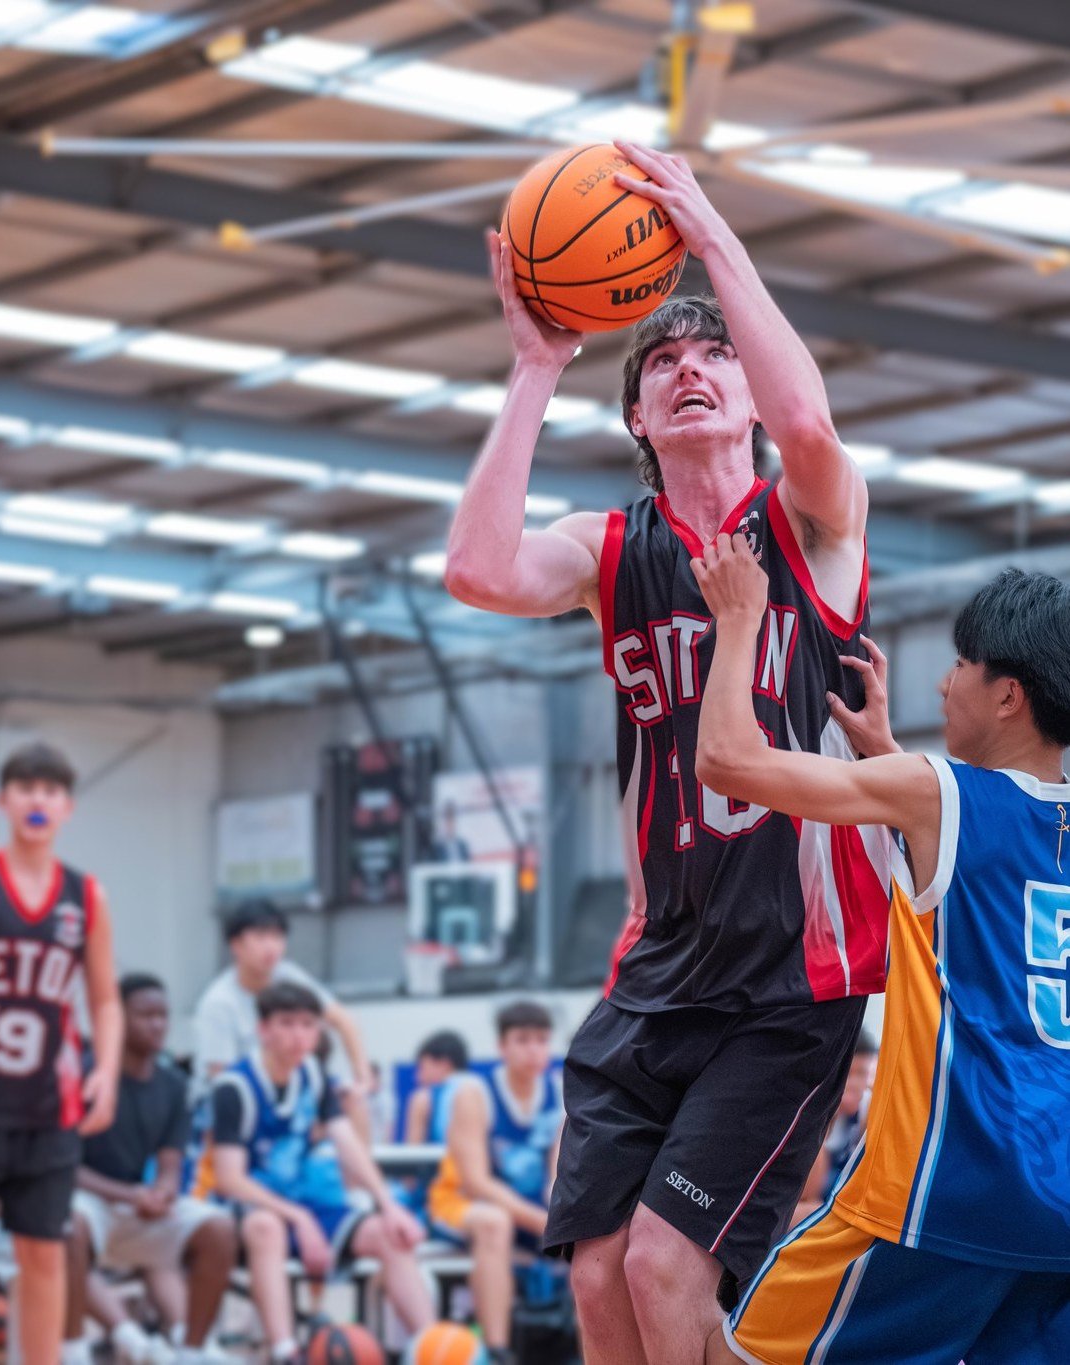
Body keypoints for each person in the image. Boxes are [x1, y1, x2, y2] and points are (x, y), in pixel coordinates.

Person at [445, 139, 890, 1359]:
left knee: (660, 1263)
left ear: (745, 395)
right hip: (658, 972)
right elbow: (477, 569)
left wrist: (710, 240)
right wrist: (538, 367)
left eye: (714, 359)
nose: (693, 372)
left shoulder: (809, 521)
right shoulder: (611, 549)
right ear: (640, 416)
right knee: (597, 1284)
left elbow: (808, 414)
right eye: (664, 364)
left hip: (791, 980)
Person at [691, 547, 1070, 1363]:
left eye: (962, 663)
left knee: (731, 1356)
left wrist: (736, 622)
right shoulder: (976, 803)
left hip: (947, 1182)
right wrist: (884, 752)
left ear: (1008, 694)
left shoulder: (938, 790)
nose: (945, 681)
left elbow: (728, 763)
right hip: (1059, 1200)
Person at [0, 742, 122, 1365]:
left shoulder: (86, 896)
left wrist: (108, 1072)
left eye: (51, 790)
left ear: (68, 807)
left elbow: (106, 999)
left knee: (43, 1252)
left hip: (47, 1102)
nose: (38, 799)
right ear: (3, 801)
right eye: (26, 788)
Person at [207, 982, 434, 1364]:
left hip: (303, 1206)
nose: (299, 1035)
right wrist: (297, 1217)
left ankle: (434, 1347)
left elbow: (349, 1146)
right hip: (246, 1211)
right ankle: (286, 1352)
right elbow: (229, 1179)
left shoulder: (314, 1077)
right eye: (287, 1024)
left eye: (308, 1025)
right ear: (263, 1029)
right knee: (267, 1227)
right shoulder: (234, 1087)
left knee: (390, 1234)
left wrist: (387, 1206)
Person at [64, 974, 237, 1365]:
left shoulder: (174, 1084)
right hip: (90, 1199)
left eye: (163, 1015)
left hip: (136, 1202)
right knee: (67, 1224)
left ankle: (193, 1351)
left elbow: (170, 1160)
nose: (158, 1024)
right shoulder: (86, 1076)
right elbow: (64, 1167)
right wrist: (131, 1195)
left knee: (219, 1227)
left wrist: (165, 1190)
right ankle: (81, 1349)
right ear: (118, 1019)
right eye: (146, 1015)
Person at [427, 1002, 563, 1361]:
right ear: (502, 1047)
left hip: (531, 1213)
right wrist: (543, 1223)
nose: (534, 1049)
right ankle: (497, 1350)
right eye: (522, 1040)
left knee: (596, 1235)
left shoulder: (559, 1093)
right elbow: (475, 1182)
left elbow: (558, 1176)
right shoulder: (475, 1092)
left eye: (541, 1040)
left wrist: (562, 1219)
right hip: (459, 1205)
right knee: (494, 1223)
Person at [191, 899, 373, 1141]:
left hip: (287, 1093)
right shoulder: (218, 1003)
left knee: (353, 1100)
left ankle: (360, 1177)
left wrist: (363, 1079)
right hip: (236, 1107)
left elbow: (344, 1021)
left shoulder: (288, 975)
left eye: (278, 937)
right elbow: (221, 1080)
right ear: (236, 945)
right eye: (260, 937)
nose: (271, 947)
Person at [789, 1030, 878, 1227]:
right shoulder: (814, 1107)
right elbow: (807, 1193)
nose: (854, 1084)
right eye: (849, 1073)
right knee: (808, 1212)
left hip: (838, 1195)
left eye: (861, 1073)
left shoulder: (869, 1109)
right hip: (809, 1197)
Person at [404, 1030, 471, 1144]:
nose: (417, 1077)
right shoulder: (481, 1092)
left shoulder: (423, 1099)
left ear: (444, 1064)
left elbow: (412, 1152)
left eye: (421, 1068)